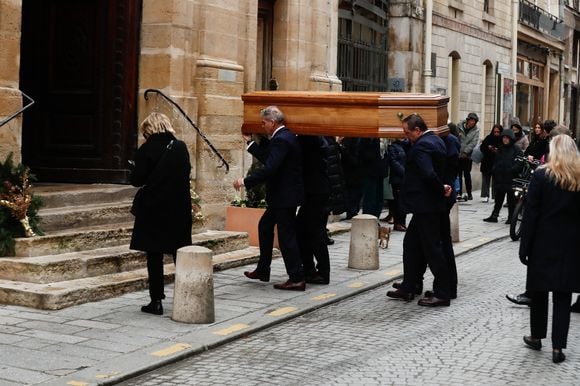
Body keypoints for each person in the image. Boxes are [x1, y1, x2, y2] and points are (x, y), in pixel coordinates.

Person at [519, 134, 580, 364]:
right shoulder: (578, 178)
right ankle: (558, 347)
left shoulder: (542, 175)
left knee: (539, 291)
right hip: (571, 245)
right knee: (563, 296)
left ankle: (536, 336)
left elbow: (531, 214)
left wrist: (525, 246)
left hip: (542, 243)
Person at [234, 106, 306, 291]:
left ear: (272, 122)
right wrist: (250, 143)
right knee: (265, 226)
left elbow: (269, 168)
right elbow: (271, 159)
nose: (262, 126)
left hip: (285, 197)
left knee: (286, 236)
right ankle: (263, 269)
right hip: (282, 196)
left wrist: (245, 181)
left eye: (264, 123)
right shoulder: (285, 137)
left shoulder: (281, 139)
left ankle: (297, 278)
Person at [386, 114, 452, 307]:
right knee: (412, 245)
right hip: (428, 205)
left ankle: (442, 292)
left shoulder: (422, 146)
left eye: (408, 133)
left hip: (426, 206)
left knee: (432, 249)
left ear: (417, 130)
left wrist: (440, 188)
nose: (406, 137)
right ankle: (409, 285)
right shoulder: (435, 140)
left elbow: (428, 173)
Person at [129, 112, 193, 315]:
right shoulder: (180, 147)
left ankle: (156, 301)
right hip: (178, 207)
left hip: (153, 208)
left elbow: (137, 180)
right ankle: (189, 298)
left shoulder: (145, 150)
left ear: (148, 130)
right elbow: (186, 173)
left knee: (154, 256)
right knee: (180, 253)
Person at [296, 135, 331, 285]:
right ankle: (311, 269)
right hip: (317, 191)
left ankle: (321, 272)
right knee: (304, 231)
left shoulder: (309, 138)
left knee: (315, 234)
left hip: (315, 192)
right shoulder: (319, 138)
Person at [483, 128, 523, 224]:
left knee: (511, 200)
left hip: (511, 178)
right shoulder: (501, 149)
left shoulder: (516, 149)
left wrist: (513, 169)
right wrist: (495, 169)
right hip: (500, 178)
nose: (505, 140)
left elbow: (520, 161)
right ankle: (494, 215)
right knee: (498, 199)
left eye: (507, 138)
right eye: (503, 138)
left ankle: (511, 217)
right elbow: (497, 161)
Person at [338, 137, 364, 219]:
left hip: (353, 169)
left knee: (354, 191)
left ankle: (353, 211)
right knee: (353, 192)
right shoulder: (350, 140)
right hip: (352, 170)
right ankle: (352, 211)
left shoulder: (350, 140)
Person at [386, 138, 409, 231]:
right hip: (397, 179)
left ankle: (402, 222)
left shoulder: (407, 145)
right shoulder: (392, 147)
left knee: (404, 201)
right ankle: (398, 223)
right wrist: (404, 172)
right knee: (398, 201)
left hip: (406, 178)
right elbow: (393, 162)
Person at [457, 112, 480, 201]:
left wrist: (465, 152)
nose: (472, 123)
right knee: (458, 174)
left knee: (467, 174)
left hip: (467, 156)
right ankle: (459, 192)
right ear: (468, 120)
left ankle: (469, 193)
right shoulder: (459, 126)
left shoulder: (476, 130)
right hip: (458, 154)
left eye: (474, 121)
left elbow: (473, 143)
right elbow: (456, 138)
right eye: (471, 120)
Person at [479, 124, 503, 202]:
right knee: (485, 180)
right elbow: (482, 148)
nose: (496, 134)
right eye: (495, 132)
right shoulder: (488, 138)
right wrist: (488, 148)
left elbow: (503, 151)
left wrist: (497, 150)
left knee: (496, 181)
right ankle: (485, 195)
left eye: (498, 132)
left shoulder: (502, 139)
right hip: (487, 162)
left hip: (497, 162)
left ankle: (495, 196)